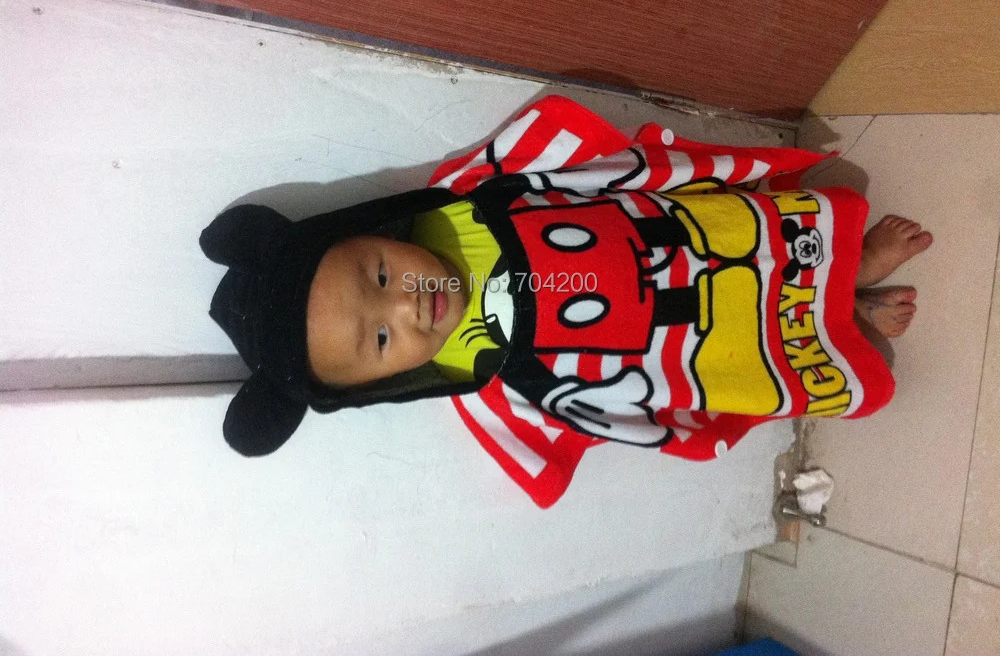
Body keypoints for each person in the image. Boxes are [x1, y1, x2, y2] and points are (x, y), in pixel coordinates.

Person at [201, 95, 931, 508]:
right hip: (669, 347)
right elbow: (565, 430)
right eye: (382, 342)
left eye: (382, 275)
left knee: (759, 244)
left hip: (680, 240)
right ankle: (842, 317)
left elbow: (565, 162)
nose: (407, 308)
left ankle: (849, 269)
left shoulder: (468, 202)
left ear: (372, 231)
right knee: (746, 344)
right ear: (383, 385)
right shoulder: (486, 381)